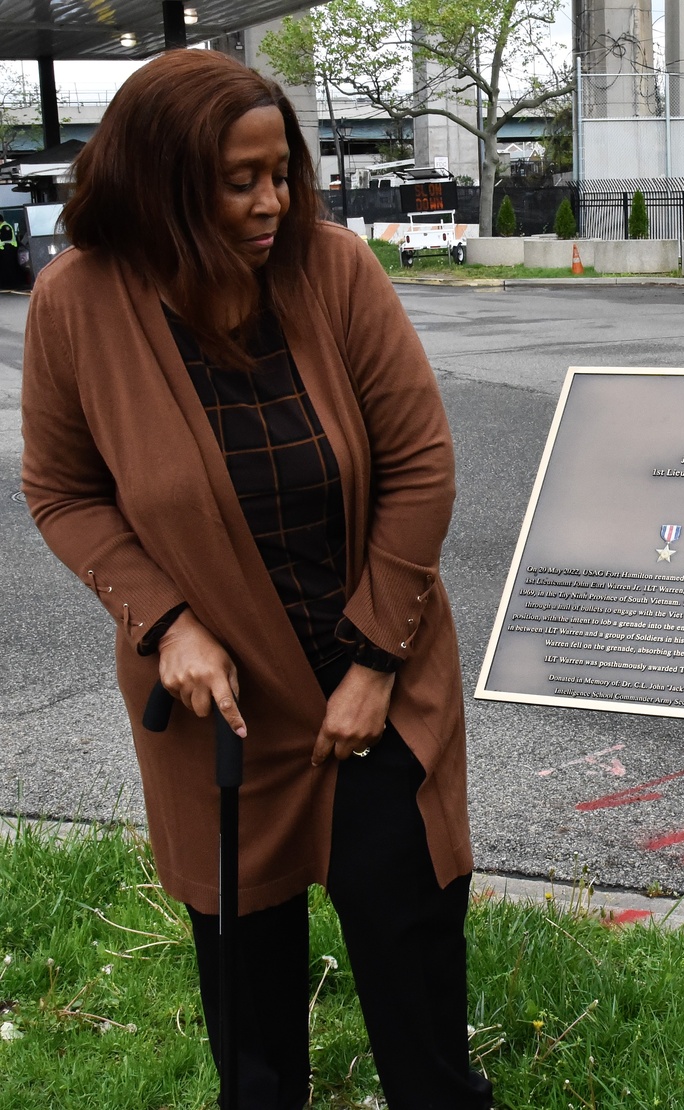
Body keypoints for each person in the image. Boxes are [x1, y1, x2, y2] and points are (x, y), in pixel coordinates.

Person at [20, 49, 491, 1110]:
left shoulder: (334, 270)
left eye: (281, 171)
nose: (273, 200)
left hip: (374, 686)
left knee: (412, 963)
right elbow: (62, 491)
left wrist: (375, 660)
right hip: (217, 706)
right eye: (240, 180)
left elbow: (420, 466)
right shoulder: (75, 305)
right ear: (163, 184)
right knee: (252, 1011)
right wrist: (166, 621)